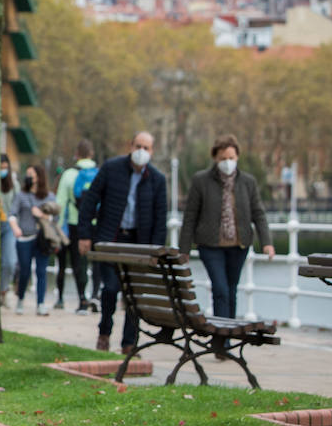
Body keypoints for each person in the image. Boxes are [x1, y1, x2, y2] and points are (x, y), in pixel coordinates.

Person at [77, 131, 168, 354]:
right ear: (131, 146)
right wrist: (85, 234)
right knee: (110, 288)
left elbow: (160, 219)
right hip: (111, 238)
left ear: (152, 151)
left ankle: (129, 342)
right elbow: (90, 201)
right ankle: (104, 331)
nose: (142, 151)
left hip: (140, 243)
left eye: (146, 148)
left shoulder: (157, 180)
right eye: (139, 146)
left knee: (134, 294)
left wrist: (155, 251)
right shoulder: (111, 168)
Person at [179, 134, 275, 325]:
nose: (227, 162)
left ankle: (229, 332)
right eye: (223, 158)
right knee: (220, 289)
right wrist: (184, 249)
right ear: (215, 158)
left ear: (237, 157)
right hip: (210, 245)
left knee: (231, 290)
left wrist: (267, 243)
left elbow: (259, 213)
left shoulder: (248, 182)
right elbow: (190, 216)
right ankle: (222, 337)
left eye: (231, 158)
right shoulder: (201, 181)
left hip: (239, 246)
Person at [54, 140, 99, 314]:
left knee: (78, 261)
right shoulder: (99, 173)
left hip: (76, 224)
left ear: (76, 154)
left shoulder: (69, 174)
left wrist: (58, 229)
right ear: (92, 153)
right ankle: (96, 295)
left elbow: (60, 203)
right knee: (97, 262)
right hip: (97, 223)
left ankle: (82, 298)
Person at [10, 163, 60, 316]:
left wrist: (42, 215)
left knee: (41, 271)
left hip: (42, 239)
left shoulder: (49, 196)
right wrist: (15, 228)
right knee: (24, 270)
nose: (29, 177)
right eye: (28, 174)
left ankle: (40, 303)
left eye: (32, 174)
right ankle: (20, 299)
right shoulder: (21, 195)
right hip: (24, 238)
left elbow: (56, 218)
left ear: (39, 177)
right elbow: (12, 214)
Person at [0, 154, 18, 308]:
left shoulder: (14, 184)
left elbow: (16, 205)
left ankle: (4, 290)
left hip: (8, 225)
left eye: (5, 167)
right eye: (0, 167)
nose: (3, 170)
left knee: (9, 262)